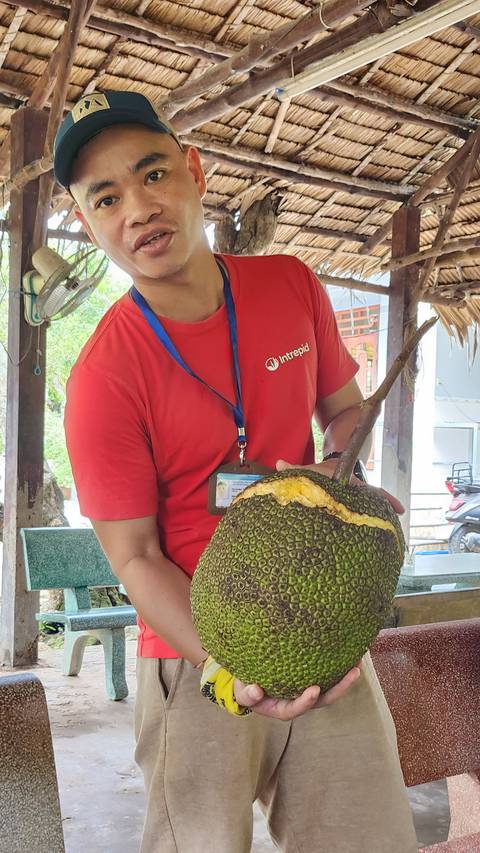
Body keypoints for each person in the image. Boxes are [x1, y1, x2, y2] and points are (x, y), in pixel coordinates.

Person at [54, 89, 418, 853]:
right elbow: (136, 556)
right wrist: (224, 663)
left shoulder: (289, 284)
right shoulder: (103, 376)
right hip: (195, 655)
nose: (138, 209)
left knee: (370, 839)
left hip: (323, 632)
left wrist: (330, 476)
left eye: (153, 175)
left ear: (194, 171)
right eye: (106, 197)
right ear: (87, 221)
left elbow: (344, 414)